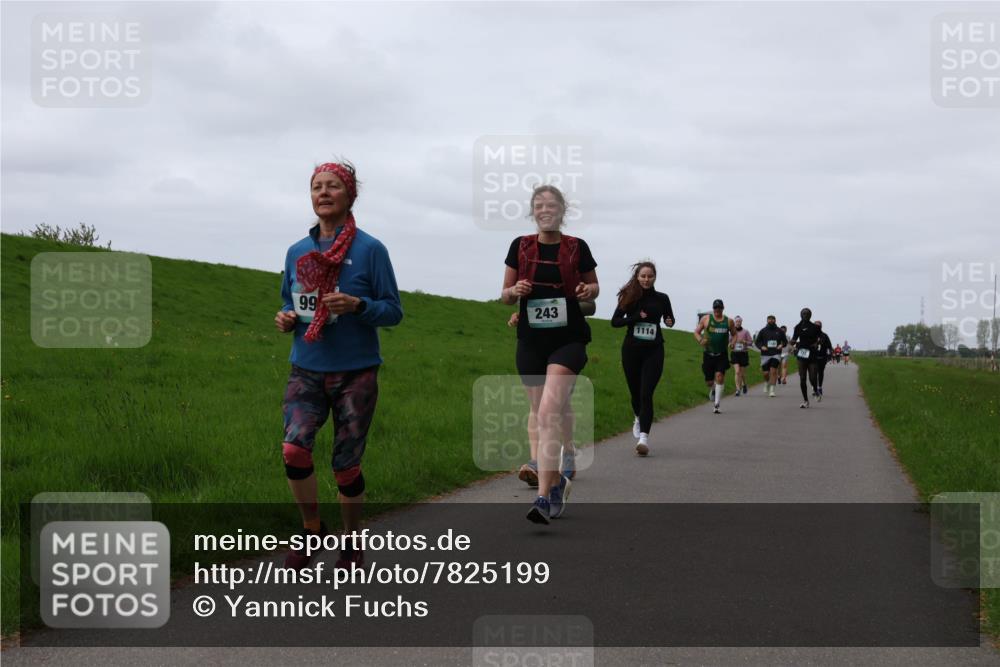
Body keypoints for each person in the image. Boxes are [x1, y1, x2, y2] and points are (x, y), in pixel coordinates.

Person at [276, 161, 403, 570]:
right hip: (306, 367)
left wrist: (358, 305)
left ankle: (351, 541)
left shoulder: (370, 250)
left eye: (333, 186)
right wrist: (285, 318)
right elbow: (288, 300)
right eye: (316, 186)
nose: (323, 193)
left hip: (356, 371)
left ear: (350, 196)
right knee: (294, 449)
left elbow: (393, 311)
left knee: (346, 466)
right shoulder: (298, 251)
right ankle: (312, 532)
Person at [501, 184, 599, 524]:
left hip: (568, 339)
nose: (546, 210)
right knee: (541, 413)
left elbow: (594, 288)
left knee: (547, 413)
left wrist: (587, 289)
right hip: (530, 341)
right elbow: (504, 295)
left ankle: (543, 497)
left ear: (561, 211)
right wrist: (515, 290)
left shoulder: (576, 247)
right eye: (539, 205)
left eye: (552, 205)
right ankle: (556, 483)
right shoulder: (520, 246)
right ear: (533, 211)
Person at [510, 301, 595, 484]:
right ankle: (536, 464)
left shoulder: (572, 272)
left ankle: (569, 450)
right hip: (534, 343)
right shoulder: (529, 274)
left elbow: (590, 306)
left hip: (566, 343)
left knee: (560, 404)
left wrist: (563, 303)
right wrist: (522, 315)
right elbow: (523, 300)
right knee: (536, 406)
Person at [611, 261, 675, 456]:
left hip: (654, 350)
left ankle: (644, 439)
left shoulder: (662, 298)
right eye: (643, 276)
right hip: (631, 350)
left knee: (646, 393)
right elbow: (615, 322)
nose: (647, 279)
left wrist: (669, 321)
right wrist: (635, 317)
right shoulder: (629, 297)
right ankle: (638, 417)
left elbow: (669, 318)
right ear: (638, 277)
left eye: (650, 276)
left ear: (655, 277)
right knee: (635, 393)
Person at [694, 299, 736, 414]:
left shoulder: (729, 321)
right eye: (715, 308)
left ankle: (717, 404)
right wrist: (700, 340)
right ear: (713, 309)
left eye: (719, 308)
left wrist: (732, 343)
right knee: (709, 381)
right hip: (708, 354)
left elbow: (734, 334)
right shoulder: (706, 319)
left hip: (721, 354)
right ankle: (713, 389)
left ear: (723, 308)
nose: (717, 310)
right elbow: (696, 332)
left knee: (719, 376)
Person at [790, 307, 821, 408]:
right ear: (801, 315)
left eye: (807, 314)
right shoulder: (798, 327)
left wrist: (817, 343)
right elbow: (794, 339)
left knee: (812, 377)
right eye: (803, 314)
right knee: (802, 378)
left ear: (810, 315)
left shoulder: (815, 327)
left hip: (812, 354)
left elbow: (821, 338)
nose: (805, 315)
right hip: (802, 353)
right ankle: (805, 400)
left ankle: (816, 391)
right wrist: (792, 342)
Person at [755, 314, 786, 397]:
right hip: (765, 354)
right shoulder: (763, 331)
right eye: (769, 319)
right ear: (767, 320)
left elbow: (785, 341)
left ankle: (772, 390)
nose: (771, 321)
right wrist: (761, 346)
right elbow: (757, 342)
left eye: (772, 319)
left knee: (773, 371)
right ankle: (766, 382)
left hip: (776, 354)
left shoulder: (780, 331)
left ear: (775, 321)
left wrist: (781, 345)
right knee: (765, 373)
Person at [730, 316, 753, 396]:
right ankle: (738, 389)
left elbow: (751, 343)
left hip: (743, 353)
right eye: (736, 322)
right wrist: (731, 345)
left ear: (741, 322)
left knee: (742, 373)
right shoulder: (732, 332)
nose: (738, 323)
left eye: (739, 321)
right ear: (734, 323)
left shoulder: (745, 332)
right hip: (735, 353)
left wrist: (744, 342)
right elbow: (729, 343)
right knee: (737, 371)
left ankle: (744, 384)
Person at [813, 320, 834, 401]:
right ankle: (814, 388)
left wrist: (830, 354)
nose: (817, 327)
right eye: (815, 325)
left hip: (822, 357)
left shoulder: (824, 335)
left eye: (818, 325)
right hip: (813, 357)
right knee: (813, 373)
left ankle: (819, 387)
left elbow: (829, 346)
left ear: (821, 326)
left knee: (820, 372)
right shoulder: (810, 335)